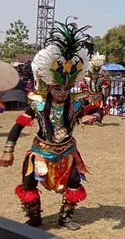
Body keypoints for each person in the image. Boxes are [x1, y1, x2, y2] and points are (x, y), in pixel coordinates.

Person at [0, 20, 102, 230]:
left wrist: (94, 116)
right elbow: (18, 126)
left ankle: (65, 217)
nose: (62, 92)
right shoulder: (37, 104)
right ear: (48, 86)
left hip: (67, 152)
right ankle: (35, 218)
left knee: (74, 183)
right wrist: (8, 151)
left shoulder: (75, 102)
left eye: (66, 88)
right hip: (40, 152)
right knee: (28, 184)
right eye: (58, 88)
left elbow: (94, 110)